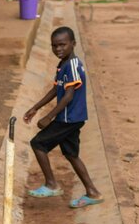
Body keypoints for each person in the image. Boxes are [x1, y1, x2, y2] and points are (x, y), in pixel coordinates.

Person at [24, 26, 103, 208]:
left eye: (62, 45)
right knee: (71, 155)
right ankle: (93, 192)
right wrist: (35, 108)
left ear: (73, 44)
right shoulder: (62, 64)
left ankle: (52, 184)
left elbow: (68, 96)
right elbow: (55, 89)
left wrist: (49, 117)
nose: (58, 49)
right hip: (69, 118)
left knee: (38, 143)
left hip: (69, 119)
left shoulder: (73, 65)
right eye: (54, 46)